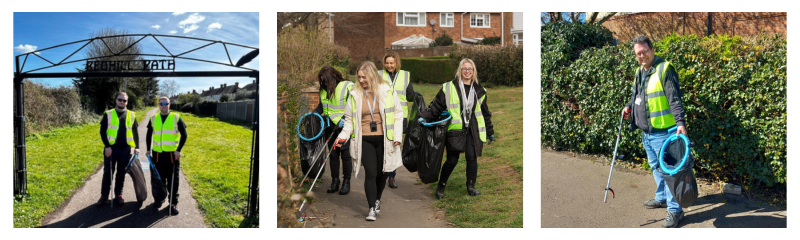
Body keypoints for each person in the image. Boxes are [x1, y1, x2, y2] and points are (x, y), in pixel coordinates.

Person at [622, 35, 688, 228]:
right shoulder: (639, 72)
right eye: (638, 53)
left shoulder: (664, 69)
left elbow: (674, 100)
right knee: (655, 168)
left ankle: (676, 211)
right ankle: (662, 198)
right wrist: (628, 107)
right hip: (647, 133)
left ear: (652, 49)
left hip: (664, 134)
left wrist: (681, 124)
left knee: (669, 173)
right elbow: (638, 96)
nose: (642, 56)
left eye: (644, 51)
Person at [334, 61, 403, 221]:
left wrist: (397, 137)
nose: (361, 80)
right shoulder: (355, 94)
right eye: (359, 77)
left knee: (382, 173)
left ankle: (377, 198)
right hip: (364, 139)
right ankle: (372, 207)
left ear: (372, 75)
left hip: (385, 139)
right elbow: (349, 120)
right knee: (371, 173)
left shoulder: (387, 90)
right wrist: (341, 137)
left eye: (364, 77)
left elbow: (398, 114)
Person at [419, 58, 495, 200]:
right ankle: (441, 184)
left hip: (472, 129)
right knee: (452, 160)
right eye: (464, 69)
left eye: (470, 69)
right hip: (455, 130)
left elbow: (485, 113)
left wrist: (490, 132)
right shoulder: (449, 87)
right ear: (460, 71)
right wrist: (424, 117)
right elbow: (436, 106)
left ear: (473, 72)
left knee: (472, 158)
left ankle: (471, 186)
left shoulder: (480, 90)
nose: (467, 71)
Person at [313, 66, 354, 195]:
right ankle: (335, 181)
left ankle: (346, 181)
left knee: (346, 155)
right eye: (322, 81)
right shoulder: (323, 90)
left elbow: (354, 106)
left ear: (334, 77)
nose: (324, 83)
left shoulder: (348, 86)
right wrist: (312, 114)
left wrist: (345, 118)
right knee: (333, 155)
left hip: (344, 126)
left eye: (326, 80)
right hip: (330, 126)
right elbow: (322, 106)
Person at [379, 51, 416, 189]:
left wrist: (416, 97)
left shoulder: (405, 76)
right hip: (382, 115)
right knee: (383, 145)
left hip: (399, 117)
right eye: (387, 63)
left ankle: (391, 176)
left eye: (391, 63)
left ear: (396, 63)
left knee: (395, 145)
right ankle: (383, 172)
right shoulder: (379, 75)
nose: (389, 65)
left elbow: (410, 95)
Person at [146, 96, 188, 215]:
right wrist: (148, 149)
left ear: (170, 104)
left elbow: (184, 135)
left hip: (171, 155)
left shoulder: (176, 117)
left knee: (173, 180)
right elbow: (149, 134)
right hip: (157, 154)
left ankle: (173, 202)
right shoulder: (153, 118)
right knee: (158, 178)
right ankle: (159, 199)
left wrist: (178, 150)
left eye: (166, 103)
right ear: (159, 105)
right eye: (161, 103)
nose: (164, 105)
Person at [98, 92, 140, 207]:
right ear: (116, 100)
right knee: (108, 173)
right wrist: (107, 146)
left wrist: (137, 147)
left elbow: (135, 132)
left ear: (127, 102)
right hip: (110, 149)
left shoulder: (131, 115)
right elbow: (102, 132)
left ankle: (119, 194)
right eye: (120, 99)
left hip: (125, 150)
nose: (122, 102)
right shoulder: (108, 114)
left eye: (124, 100)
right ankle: (104, 196)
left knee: (121, 173)